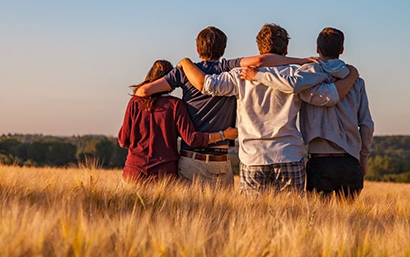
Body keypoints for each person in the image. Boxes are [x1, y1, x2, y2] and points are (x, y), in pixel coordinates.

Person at [177, 24, 359, 194]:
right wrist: (351, 76)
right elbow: (327, 97)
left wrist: (185, 62)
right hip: (289, 155)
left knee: (253, 219)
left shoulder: (239, 75)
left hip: (253, 157)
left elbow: (207, 85)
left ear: (259, 48)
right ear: (285, 50)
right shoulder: (297, 75)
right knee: (292, 220)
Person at [134, 26, 314, 186]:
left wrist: (174, 100)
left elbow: (143, 92)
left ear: (197, 49)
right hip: (220, 160)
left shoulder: (183, 72)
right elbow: (260, 62)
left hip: (190, 159)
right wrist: (300, 61)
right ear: (224, 49)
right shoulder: (228, 68)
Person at [242, 27, 374, 198]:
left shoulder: (306, 77)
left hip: (319, 161)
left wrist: (258, 75)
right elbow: (366, 125)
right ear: (342, 50)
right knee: (350, 222)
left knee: (318, 221)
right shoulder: (356, 82)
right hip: (350, 161)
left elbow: (290, 85)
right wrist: (363, 159)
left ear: (317, 49)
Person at [118, 60, 238, 183]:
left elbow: (123, 141)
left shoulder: (135, 102)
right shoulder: (176, 105)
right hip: (164, 175)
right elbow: (191, 139)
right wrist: (223, 135)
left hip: (133, 172)